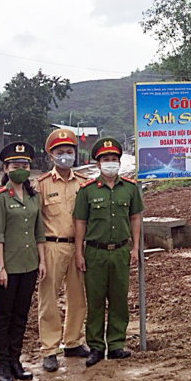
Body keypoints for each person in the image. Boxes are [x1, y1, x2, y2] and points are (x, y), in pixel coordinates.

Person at [73, 137, 143, 367]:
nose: (110, 163)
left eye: (114, 159)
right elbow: (80, 222)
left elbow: (135, 218)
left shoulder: (130, 188)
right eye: (105, 159)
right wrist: (79, 252)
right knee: (94, 301)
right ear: (98, 163)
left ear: (119, 162)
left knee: (119, 299)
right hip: (95, 252)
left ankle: (115, 344)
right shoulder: (87, 191)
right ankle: (95, 346)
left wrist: (134, 247)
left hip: (121, 250)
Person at [0, 142, 47, 381]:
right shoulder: (0, 197)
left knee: (21, 315)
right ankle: (1, 364)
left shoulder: (34, 197)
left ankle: (15, 360)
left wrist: (42, 261)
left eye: (24, 165)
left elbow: (39, 232)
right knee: (3, 315)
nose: (21, 169)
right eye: (15, 165)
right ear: (6, 168)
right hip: (8, 267)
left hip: (29, 265)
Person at [34, 129, 90, 373]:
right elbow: (35, 220)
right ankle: (49, 349)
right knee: (48, 300)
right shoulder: (42, 185)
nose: (65, 156)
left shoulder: (83, 184)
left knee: (78, 297)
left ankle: (73, 341)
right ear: (51, 156)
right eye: (60, 152)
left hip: (78, 246)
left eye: (69, 152)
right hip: (51, 246)